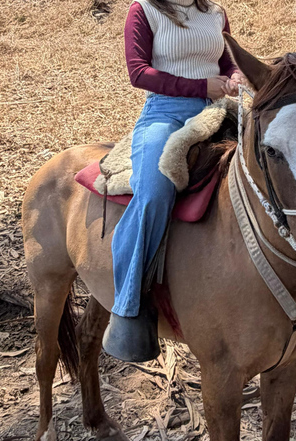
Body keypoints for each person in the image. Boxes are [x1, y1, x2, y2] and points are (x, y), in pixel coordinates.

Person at [102, 0, 243, 362]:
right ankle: (129, 305)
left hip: (218, 111)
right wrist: (200, 86)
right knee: (154, 192)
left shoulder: (215, 12)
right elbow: (139, 72)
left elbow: (226, 61)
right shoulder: (144, 10)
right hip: (164, 112)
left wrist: (235, 76)